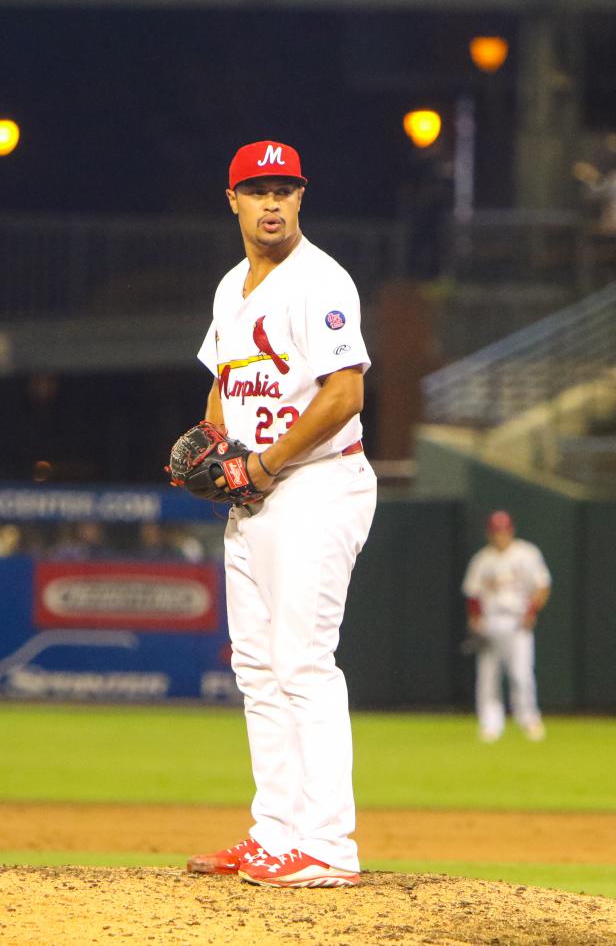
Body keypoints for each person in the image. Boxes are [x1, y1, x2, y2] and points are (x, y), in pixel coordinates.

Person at [186, 140, 377, 888]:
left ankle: (329, 846)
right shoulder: (233, 286)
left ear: (302, 198)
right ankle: (275, 834)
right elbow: (225, 384)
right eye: (257, 189)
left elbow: (344, 395)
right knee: (260, 671)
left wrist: (261, 465)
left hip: (317, 485)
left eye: (284, 188)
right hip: (256, 494)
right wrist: (214, 444)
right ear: (231, 200)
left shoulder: (321, 281)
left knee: (303, 662)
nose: (272, 201)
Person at [462, 510, 551, 743]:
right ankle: (490, 725)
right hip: (491, 621)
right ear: (489, 533)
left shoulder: (527, 554)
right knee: (488, 677)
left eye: (503, 530)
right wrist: (475, 619)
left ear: (510, 530)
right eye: (495, 531)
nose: (500, 535)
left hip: (517, 621)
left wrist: (531, 612)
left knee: (521, 674)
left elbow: (542, 586)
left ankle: (529, 719)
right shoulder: (482, 559)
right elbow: (472, 594)